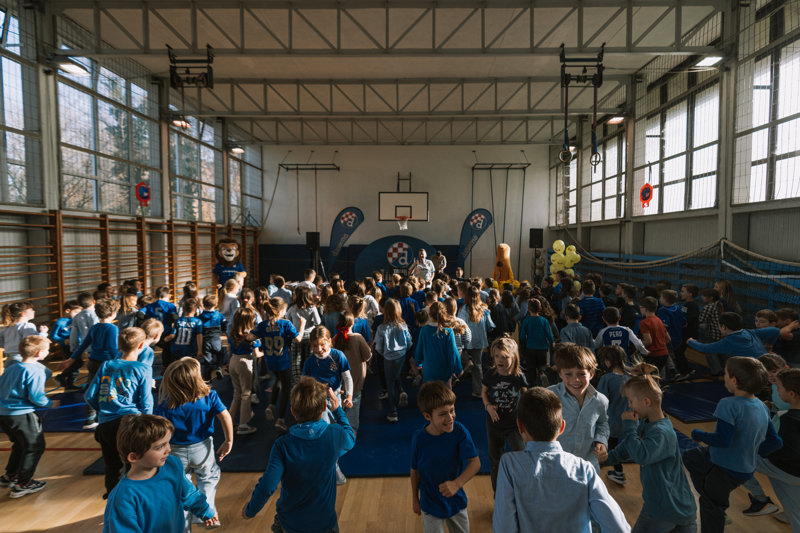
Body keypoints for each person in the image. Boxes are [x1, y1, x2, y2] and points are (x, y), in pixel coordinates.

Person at [493, 387, 630, 533]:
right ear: (562, 427)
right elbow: (619, 528)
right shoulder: (584, 469)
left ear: (520, 426)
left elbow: (504, 527)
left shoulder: (510, 465)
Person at [682, 356, 783, 532]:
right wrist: (752, 450)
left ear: (734, 381)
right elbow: (776, 442)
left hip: (725, 469)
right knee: (691, 457)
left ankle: (715, 504)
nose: (724, 377)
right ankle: (711, 496)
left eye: (726, 374)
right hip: (743, 469)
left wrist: (698, 434)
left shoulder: (728, 404)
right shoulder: (762, 406)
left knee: (710, 508)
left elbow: (723, 440)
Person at [242, 377, 355, 532]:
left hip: (291, 524)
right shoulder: (334, 434)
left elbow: (268, 485)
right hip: (324, 523)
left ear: (293, 412)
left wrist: (250, 510)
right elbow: (350, 436)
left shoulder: (283, 445)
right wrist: (337, 411)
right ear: (324, 407)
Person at [596, 363, 697, 533]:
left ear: (646, 402)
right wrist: (605, 460)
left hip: (664, 509)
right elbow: (628, 447)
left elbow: (641, 455)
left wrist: (628, 426)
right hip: (679, 507)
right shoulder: (647, 424)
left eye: (630, 401)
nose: (629, 406)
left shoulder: (662, 432)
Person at [103, 414, 218, 532]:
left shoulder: (172, 464)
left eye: (168, 442)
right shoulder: (123, 497)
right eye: (159, 447)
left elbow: (188, 492)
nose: (168, 449)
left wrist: (204, 510)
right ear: (134, 457)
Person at [155, 357, 233, 531]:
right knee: (208, 478)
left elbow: (158, 433)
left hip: (175, 452)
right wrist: (229, 440)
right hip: (202, 448)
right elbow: (225, 416)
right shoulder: (210, 396)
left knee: (182, 489)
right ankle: (205, 513)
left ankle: (183, 527)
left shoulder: (165, 405)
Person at [85, 326, 154, 497]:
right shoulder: (143, 369)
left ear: (119, 345)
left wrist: (103, 411)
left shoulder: (106, 365)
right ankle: (134, 499)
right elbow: (146, 401)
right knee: (135, 464)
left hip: (105, 424)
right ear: (141, 346)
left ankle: (113, 497)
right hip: (130, 423)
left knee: (112, 465)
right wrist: (149, 423)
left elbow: (89, 395)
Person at [411, 381, 481, 533]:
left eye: (452, 410)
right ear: (427, 416)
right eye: (443, 414)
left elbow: (475, 463)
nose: (450, 418)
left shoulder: (460, 431)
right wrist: (415, 499)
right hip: (430, 503)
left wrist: (457, 484)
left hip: (456, 500)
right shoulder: (419, 439)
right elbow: (414, 470)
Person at [0, 336, 55, 498]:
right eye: (47, 350)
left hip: (4, 414)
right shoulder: (34, 371)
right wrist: (50, 404)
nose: (48, 352)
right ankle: (23, 483)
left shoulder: (12, 367)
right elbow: (37, 397)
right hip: (22, 414)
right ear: (38, 353)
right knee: (34, 446)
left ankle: (10, 475)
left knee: (19, 443)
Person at [739, 353, 791, 516]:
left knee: (738, 457)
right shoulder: (777, 386)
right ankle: (790, 510)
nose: (772, 376)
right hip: (779, 435)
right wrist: (769, 405)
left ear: (786, 368)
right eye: (768, 374)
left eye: (774, 371)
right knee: (780, 478)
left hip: (784, 439)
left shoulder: (791, 387)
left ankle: (761, 499)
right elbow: (781, 406)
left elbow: (789, 410)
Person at [547, 343, 609, 473]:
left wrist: (601, 442)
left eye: (581, 374)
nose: (575, 380)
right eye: (568, 374)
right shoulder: (549, 397)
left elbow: (602, 424)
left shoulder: (600, 401)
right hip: (556, 467)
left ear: (591, 374)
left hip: (588, 467)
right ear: (560, 373)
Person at [750, 368, 800, 529]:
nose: (776, 391)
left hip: (789, 469)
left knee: (733, 455)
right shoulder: (789, 416)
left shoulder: (790, 420)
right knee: (796, 513)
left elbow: (787, 452)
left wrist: (761, 450)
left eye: (778, 388)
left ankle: (760, 499)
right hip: (792, 472)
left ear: (792, 394)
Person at [63, 298, 120, 430]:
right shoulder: (112, 328)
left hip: (93, 362)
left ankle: (90, 418)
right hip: (106, 364)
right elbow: (112, 348)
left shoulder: (95, 327)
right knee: (109, 390)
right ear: (113, 314)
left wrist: (72, 358)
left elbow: (83, 345)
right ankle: (107, 416)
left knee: (92, 390)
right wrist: (119, 362)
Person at [250, 297, 305, 433]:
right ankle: (281, 419)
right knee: (286, 387)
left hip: (270, 361)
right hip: (283, 361)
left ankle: (271, 405)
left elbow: (249, 338)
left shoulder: (262, 325)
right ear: (280, 311)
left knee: (278, 380)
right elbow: (298, 339)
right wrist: (302, 325)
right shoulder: (285, 324)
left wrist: (259, 341)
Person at [481, 337, 527, 492]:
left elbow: (525, 395)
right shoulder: (490, 374)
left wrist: (525, 415)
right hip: (494, 424)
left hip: (514, 424)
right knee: (495, 459)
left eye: (505, 357)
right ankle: (498, 494)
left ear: (513, 357)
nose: (500, 360)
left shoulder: (518, 376)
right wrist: (488, 406)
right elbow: (483, 392)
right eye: (497, 356)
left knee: (520, 456)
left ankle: (520, 491)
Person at [596, 345, 631, 487]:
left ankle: (618, 472)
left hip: (612, 423)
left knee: (610, 445)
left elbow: (599, 401)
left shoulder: (607, 379)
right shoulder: (630, 377)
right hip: (630, 421)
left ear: (608, 361)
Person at [333, 312, 371, 433]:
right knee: (353, 408)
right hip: (356, 381)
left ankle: (340, 431)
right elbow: (367, 355)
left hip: (339, 383)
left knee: (339, 409)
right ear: (352, 323)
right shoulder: (358, 338)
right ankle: (351, 433)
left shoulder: (335, 339)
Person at [375, 299, 413, 422]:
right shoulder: (403, 326)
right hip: (401, 355)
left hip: (389, 357)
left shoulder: (381, 328)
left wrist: (384, 354)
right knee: (397, 375)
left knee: (390, 383)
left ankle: (393, 411)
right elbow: (409, 343)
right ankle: (401, 391)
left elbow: (378, 347)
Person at [227, 308, 263, 436]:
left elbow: (229, 349)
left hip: (233, 362)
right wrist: (266, 352)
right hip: (245, 363)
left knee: (237, 393)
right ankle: (243, 425)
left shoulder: (232, 334)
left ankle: (230, 421)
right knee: (246, 394)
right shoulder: (250, 337)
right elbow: (257, 354)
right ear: (249, 320)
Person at [687, 312, 775, 360]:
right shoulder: (750, 332)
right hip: (768, 364)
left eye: (719, 325)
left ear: (723, 327)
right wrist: (769, 344)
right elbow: (775, 331)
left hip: (757, 371)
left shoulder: (729, 342)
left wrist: (690, 341)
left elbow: (704, 348)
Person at [457, 286, 495, 397]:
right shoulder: (484, 309)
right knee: (478, 365)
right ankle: (479, 391)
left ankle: (468, 362)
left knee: (462, 356)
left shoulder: (463, 310)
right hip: (479, 341)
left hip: (467, 341)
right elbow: (490, 326)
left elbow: (460, 326)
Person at [415, 304, 463, 386]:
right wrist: (459, 369)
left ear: (429, 315)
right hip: (444, 372)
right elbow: (453, 353)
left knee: (430, 393)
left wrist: (418, 363)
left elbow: (419, 350)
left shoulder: (424, 330)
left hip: (428, 371)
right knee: (445, 393)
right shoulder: (448, 332)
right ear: (444, 314)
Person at [287, 286, 322, 386]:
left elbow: (287, 319)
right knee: (309, 358)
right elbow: (318, 322)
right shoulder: (312, 308)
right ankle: (309, 380)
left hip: (297, 336)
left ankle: (298, 383)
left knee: (296, 361)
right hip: (310, 337)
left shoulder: (292, 308)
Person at [1, 302, 48, 368]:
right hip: (23, 360)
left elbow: (1, 344)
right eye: (31, 310)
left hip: (9, 360)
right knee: (47, 372)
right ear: (22, 313)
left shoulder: (6, 328)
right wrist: (43, 333)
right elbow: (33, 343)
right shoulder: (27, 326)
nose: (34, 311)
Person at [519, 298, 554, 387]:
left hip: (530, 347)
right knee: (542, 365)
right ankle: (542, 374)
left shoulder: (526, 320)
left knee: (531, 368)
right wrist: (551, 343)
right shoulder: (544, 320)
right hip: (542, 347)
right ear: (540, 309)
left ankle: (533, 385)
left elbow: (522, 336)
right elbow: (549, 335)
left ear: (528, 309)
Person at [143, 285, 179, 368]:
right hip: (165, 332)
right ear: (169, 295)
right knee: (168, 349)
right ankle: (166, 366)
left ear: (156, 295)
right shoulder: (171, 306)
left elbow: (140, 314)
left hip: (152, 331)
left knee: (147, 347)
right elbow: (175, 318)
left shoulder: (150, 306)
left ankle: (145, 364)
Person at [638, 296, 671, 374]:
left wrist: (638, 345)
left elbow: (648, 341)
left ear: (645, 309)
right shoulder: (659, 320)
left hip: (653, 355)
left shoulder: (644, 322)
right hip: (664, 354)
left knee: (648, 377)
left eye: (641, 307)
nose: (640, 309)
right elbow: (668, 339)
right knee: (658, 376)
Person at [198, 295, 226, 381]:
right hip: (216, 340)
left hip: (206, 342)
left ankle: (207, 379)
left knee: (208, 361)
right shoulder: (219, 316)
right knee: (220, 354)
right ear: (215, 304)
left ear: (203, 304)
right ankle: (219, 367)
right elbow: (224, 326)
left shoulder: (200, 317)